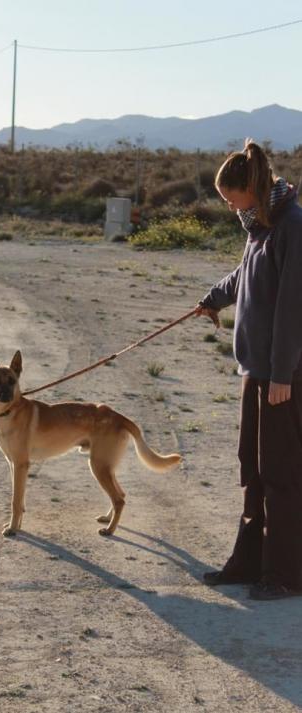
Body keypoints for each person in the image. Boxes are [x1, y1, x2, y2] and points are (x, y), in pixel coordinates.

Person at [196, 139, 302, 600]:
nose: (227, 204)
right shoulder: (258, 225)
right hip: (254, 368)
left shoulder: (292, 226)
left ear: (249, 188)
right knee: (252, 468)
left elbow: (293, 308)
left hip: (283, 374)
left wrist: (282, 373)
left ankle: (285, 573)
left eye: (229, 196)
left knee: (280, 474)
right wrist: (213, 298)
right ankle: (249, 563)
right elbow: (245, 276)